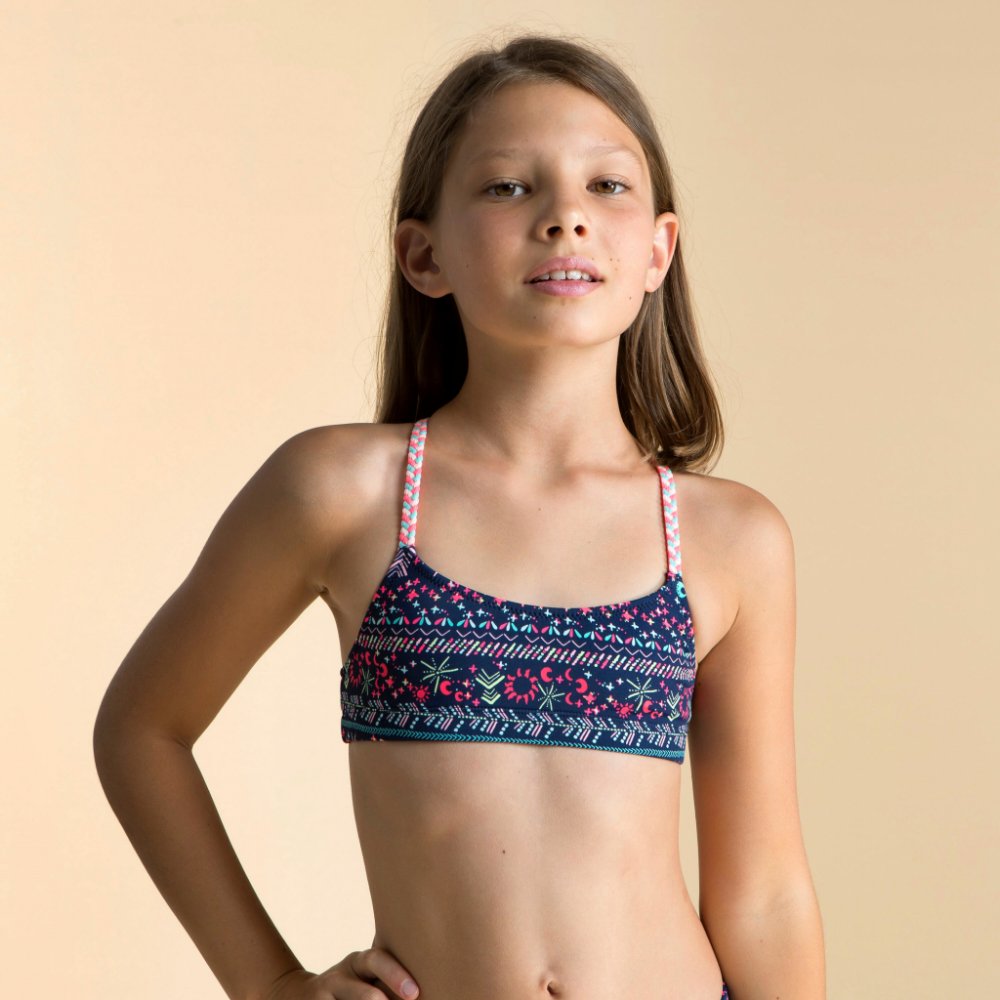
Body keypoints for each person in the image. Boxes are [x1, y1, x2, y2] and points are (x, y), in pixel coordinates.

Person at [93, 31, 825, 1000]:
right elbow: (141, 730)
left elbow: (765, 892)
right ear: (422, 253)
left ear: (658, 250)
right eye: (508, 186)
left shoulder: (729, 539)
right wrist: (268, 984)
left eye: (606, 185)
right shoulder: (342, 492)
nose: (565, 217)